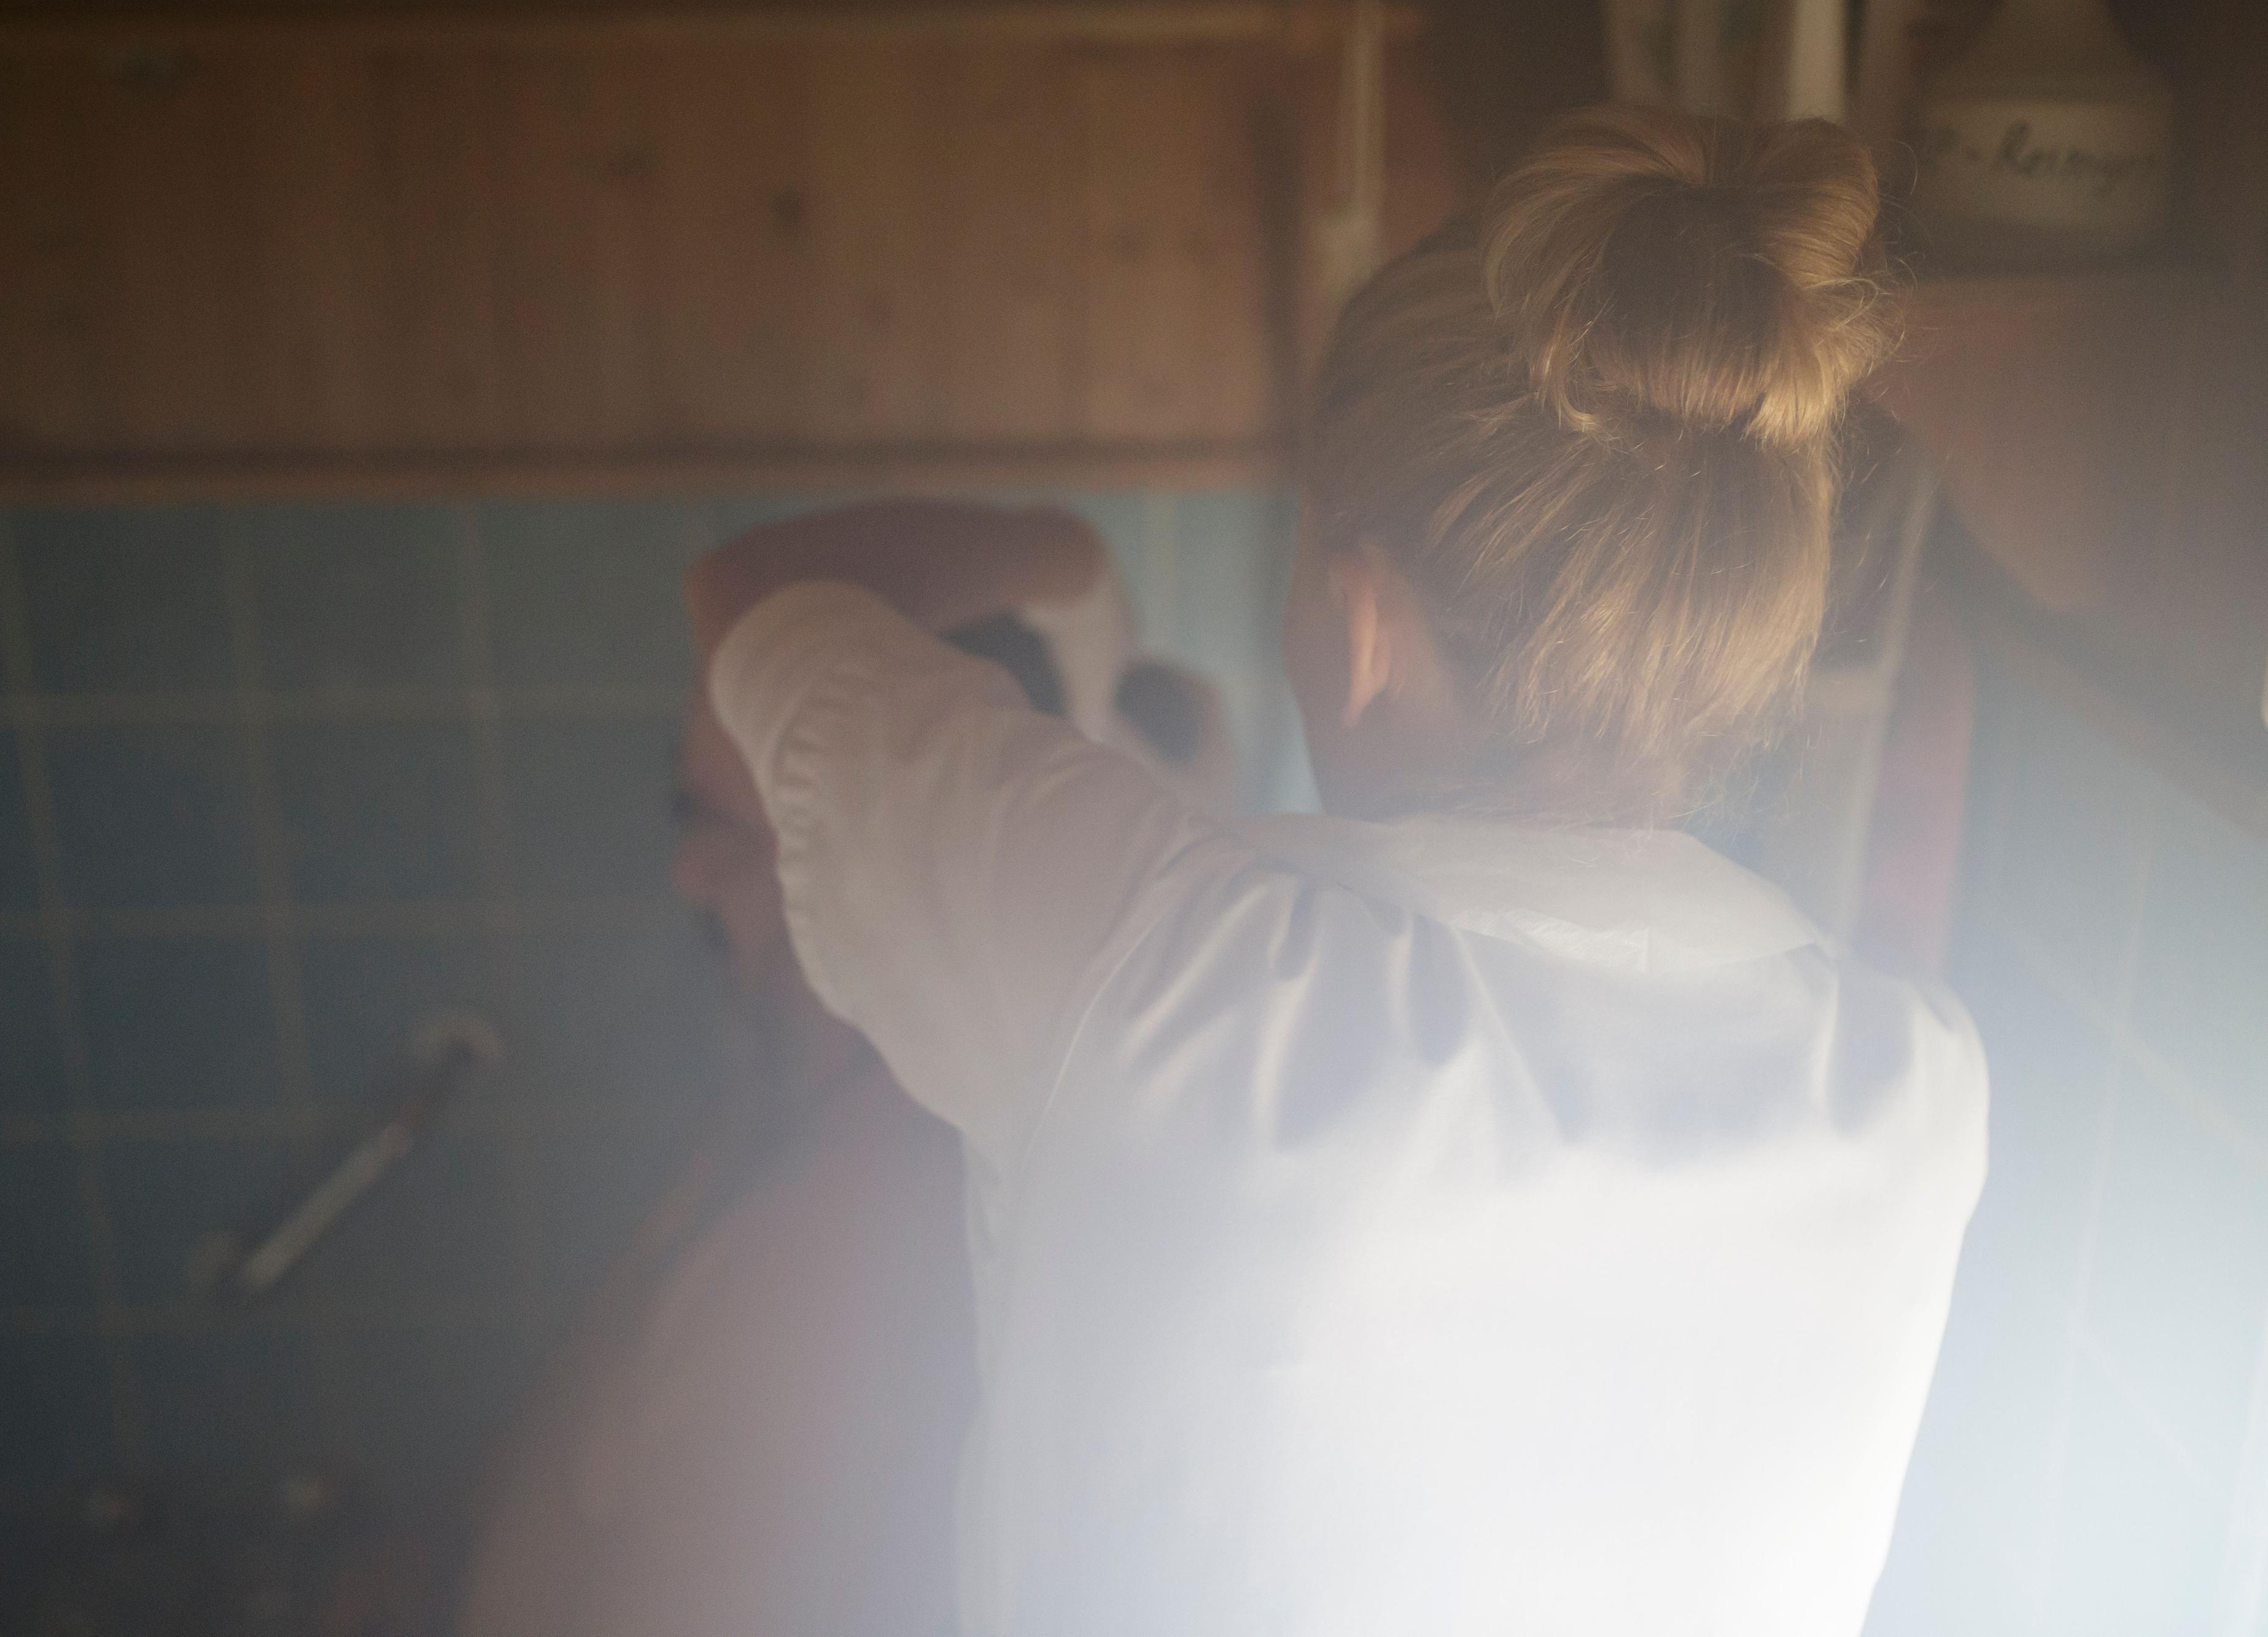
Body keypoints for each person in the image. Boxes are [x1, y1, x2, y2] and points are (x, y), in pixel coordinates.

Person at [684, 107, 1989, 1636]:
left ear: (1359, 616)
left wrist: (1064, 555)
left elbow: (756, 601)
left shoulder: (1158, 963)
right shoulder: (1916, 1086)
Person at [456, 556, 1232, 1637]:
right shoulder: (785, 1110)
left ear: (894, 862)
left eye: (750, 826)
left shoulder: (870, 1217)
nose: (690, 871)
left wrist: (1049, 548)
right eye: (692, 812)